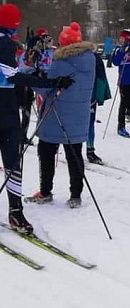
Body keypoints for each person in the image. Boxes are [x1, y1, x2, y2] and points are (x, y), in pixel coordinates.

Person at [0, 4, 73, 232]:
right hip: (5, 110)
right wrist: (50, 82)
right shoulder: (4, 43)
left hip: (7, 106)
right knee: (12, 161)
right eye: (16, 23)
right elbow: (14, 76)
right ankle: (15, 213)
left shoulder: (9, 43)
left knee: (13, 159)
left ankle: (16, 212)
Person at [27, 22, 95, 209]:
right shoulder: (89, 60)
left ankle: (45, 191)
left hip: (55, 116)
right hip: (78, 116)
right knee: (74, 155)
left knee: (46, 152)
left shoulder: (61, 61)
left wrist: (29, 76)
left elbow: (47, 88)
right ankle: (76, 195)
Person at [87, 43, 111, 165]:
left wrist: (99, 96)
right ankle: (85, 150)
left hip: (90, 96)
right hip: (78, 97)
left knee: (89, 123)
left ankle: (90, 150)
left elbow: (101, 79)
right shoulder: (75, 58)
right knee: (86, 124)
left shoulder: (95, 60)